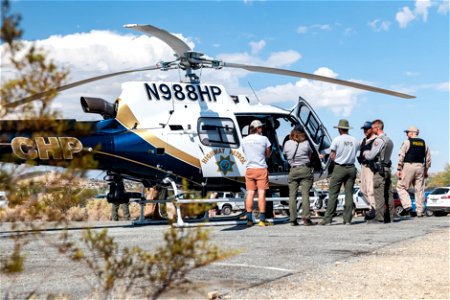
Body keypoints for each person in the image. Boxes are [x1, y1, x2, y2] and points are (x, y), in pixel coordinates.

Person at [320, 119, 358, 226]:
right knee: (349, 193)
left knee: (333, 194)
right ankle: (347, 220)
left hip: (339, 168)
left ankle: (328, 219)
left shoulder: (337, 140)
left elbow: (332, 155)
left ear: (340, 129)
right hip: (351, 168)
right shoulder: (354, 140)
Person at [362, 119, 394, 223]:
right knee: (388, 194)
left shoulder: (379, 140)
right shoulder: (389, 140)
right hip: (387, 169)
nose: (371, 129)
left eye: (372, 128)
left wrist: (365, 153)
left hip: (379, 169)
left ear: (377, 128)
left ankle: (379, 218)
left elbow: (371, 156)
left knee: (379, 194)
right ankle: (390, 217)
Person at [396, 126, 431, 217]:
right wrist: (426, 170)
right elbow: (428, 159)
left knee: (401, 187)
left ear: (411, 133)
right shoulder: (424, 143)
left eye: (407, 132)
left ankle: (407, 206)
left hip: (409, 166)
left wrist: (399, 168)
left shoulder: (407, 142)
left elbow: (401, 156)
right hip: (420, 167)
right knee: (419, 190)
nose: (407, 134)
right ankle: (420, 211)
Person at [283, 126, 315, 226]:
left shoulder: (287, 143)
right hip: (305, 169)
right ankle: (306, 219)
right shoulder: (306, 143)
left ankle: (293, 219)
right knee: (305, 194)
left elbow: (285, 155)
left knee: (292, 195)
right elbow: (310, 155)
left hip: (293, 170)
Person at [242, 119, 272, 227]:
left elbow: (244, 152)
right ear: (258, 128)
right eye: (261, 127)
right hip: (261, 169)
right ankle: (262, 220)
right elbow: (268, 154)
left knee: (250, 193)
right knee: (261, 193)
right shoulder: (264, 139)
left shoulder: (244, 140)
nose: (262, 129)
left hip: (249, 169)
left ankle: (249, 220)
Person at [357, 121, 377, 220]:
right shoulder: (363, 140)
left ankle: (374, 209)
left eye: (367, 129)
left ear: (372, 129)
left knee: (370, 188)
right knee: (363, 189)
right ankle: (372, 207)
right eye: (364, 129)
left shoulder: (376, 140)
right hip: (363, 166)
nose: (365, 131)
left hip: (370, 167)